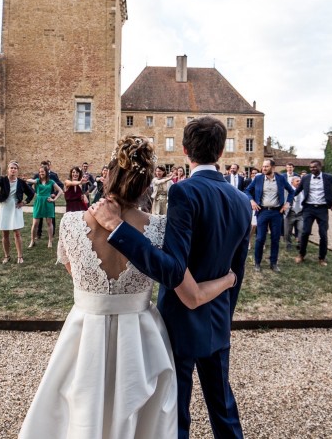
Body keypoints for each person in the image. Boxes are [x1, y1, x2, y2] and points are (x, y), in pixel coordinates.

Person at [19, 136, 237, 439]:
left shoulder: (70, 223)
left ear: (109, 174)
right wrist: (229, 279)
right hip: (141, 337)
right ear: (147, 183)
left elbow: (76, 275)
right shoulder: (159, 227)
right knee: (140, 417)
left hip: (85, 332)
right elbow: (184, 285)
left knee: (82, 408)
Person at [91, 117, 251, 438]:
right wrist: (225, 315)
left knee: (176, 411)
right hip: (219, 318)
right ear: (221, 152)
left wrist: (118, 230)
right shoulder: (243, 201)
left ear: (184, 150)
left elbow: (173, 268)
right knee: (223, 407)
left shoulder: (184, 192)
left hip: (180, 321)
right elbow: (237, 270)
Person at [244, 159, 294, 273]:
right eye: (263, 166)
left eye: (266, 166)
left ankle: (273, 263)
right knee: (260, 238)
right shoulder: (258, 178)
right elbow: (247, 190)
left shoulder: (281, 179)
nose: (264, 168)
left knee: (275, 239)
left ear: (273, 167)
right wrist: (252, 201)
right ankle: (257, 262)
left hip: (277, 212)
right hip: (262, 211)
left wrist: (287, 203)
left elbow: (291, 191)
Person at [293, 160, 332, 266]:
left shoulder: (328, 177)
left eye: (315, 167)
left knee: (323, 234)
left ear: (320, 167)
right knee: (305, 232)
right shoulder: (306, 178)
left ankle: (322, 258)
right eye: (311, 167)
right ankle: (301, 254)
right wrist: (288, 199)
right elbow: (297, 191)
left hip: (322, 209)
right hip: (308, 208)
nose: (312, 169)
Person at [0, 161, 34, 264]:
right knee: (5, 234)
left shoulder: (21, 182)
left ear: (17, 170)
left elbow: (31, 193)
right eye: (11, 168)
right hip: (5, 208)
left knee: (17, 233)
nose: (13, 170)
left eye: (15, 168)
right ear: (8, 170)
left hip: (15, 208)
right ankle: (7, 256)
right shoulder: (3, 180)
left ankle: (20, 256)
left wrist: (24, 202)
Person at [26, 165, 63, 249]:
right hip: (38, 202)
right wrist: (26, 179)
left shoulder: (51, 182)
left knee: (49, 222)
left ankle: (50, 241)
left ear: (46, 172)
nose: (41, 173)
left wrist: (54, 199)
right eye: (39, 172)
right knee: (35, 223)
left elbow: (60, 190)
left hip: (48, 203)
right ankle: (32, 241)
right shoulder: (37, 181)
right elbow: (32, 181)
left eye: (42, 171)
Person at [35, 160, 64, 240]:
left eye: (46, 166)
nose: (44, 167)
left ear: (48, 166)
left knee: (51, 217)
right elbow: (30, 184)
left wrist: (54, 193)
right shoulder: (37, 175)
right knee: (38, 217)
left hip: (49, 199)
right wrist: (35, 193)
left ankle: (52, 234)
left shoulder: (53, 175)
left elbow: (60, 185)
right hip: (40, 199)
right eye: (42, 165)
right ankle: (38, 234)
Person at [283, 176, 304, 251]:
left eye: (300, 181)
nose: (299, 182)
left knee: (302, 229)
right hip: (290, 213)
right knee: (287, 232)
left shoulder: (304, 190)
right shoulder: (287, 191)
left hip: (301, 214)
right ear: (292, 182)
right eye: (297, 181)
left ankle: (300, 244)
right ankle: (288, 244)